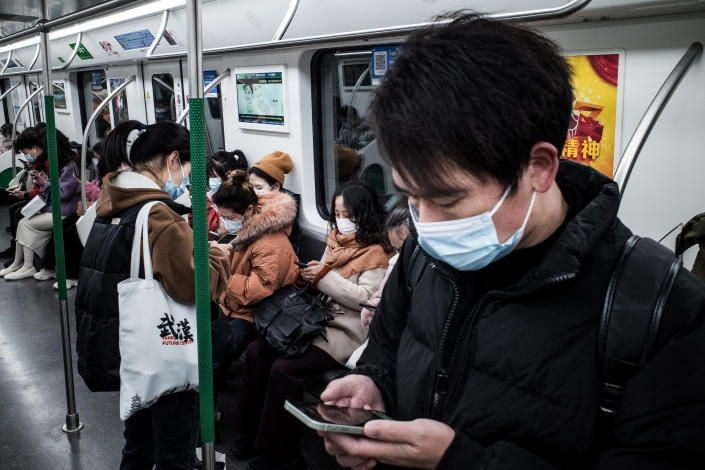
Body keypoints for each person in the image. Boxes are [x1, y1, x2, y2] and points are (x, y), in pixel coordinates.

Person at [319, 13, 705, 470]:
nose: (426, 221)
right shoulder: (422, 252)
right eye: (409, 196)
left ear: (539, 167)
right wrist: (375, 381)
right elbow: (388, 343)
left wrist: (464, 462)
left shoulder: (659, 307)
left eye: (448, 199)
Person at [74, 121, 231, 470]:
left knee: (139, 446)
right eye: (189, 169)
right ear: (173, 159)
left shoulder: (108, 206)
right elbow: (196, 286)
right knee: (174, 454)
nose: (188, 179)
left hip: (131, 350)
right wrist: (217, 255)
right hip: (167, 356)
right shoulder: (158, 215)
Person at [231, 181, 390, 470]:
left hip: (345, 331)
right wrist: (306, 275)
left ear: (364, 216)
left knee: (284, 369)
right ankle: (248, 429)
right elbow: (321, 278)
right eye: (338, 213)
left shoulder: (377, 253)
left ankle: (282, 454)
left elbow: (366, 300)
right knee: (257, 351)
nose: (342, 220)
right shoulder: (336, 240)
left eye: (349, 215)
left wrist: (324, 276)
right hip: (315, 319)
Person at [215, 169, 299, 358]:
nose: (225, 222)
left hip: (254, 314)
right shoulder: (244, 230)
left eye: (229, 218)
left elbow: (256, 290)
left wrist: (220, 272)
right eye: (222, 217)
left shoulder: (269, 243)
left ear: (250, 210)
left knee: (217, 352)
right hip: (231, 305)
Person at [0, 127, 80, 280]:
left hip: (64, 210)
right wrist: (45, 183)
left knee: (25, 223)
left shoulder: (68, 164)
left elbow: (63, 194)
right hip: (54, 207)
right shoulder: (59, 162)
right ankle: (20, 263)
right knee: (22, 219)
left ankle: (27, 265)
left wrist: (46, 183)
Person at [347, 203, 410, 368]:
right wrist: (374, 306)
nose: (400, 255)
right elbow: (381, 295)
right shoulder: (394, 264)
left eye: (404, 249)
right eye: (396, 250)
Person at [248, 151, 301, 256]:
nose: (253, 191)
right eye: (251, 187)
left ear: (276, 186)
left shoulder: (282, 216)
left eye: (259, 187)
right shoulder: (255, 205)